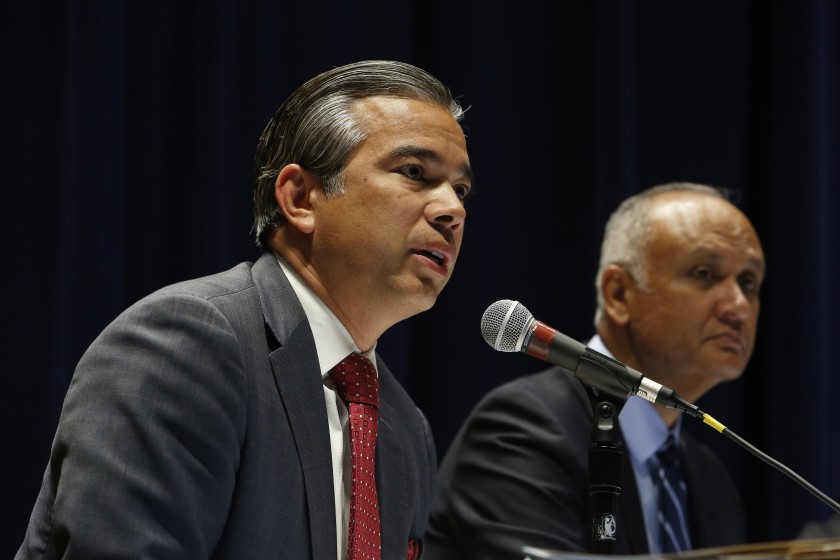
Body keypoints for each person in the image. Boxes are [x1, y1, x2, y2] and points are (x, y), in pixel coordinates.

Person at [16, 59, 474, 560]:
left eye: (461, 188)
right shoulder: (188, 345)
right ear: (300, 197)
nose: (452, 208)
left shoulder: (404, 428)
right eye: (415, 173)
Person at [425, 182, 766, 558]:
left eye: (748, 282)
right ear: (619, 293)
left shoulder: (709, 477)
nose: (738, 305)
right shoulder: (524, 430)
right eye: (704, 273)